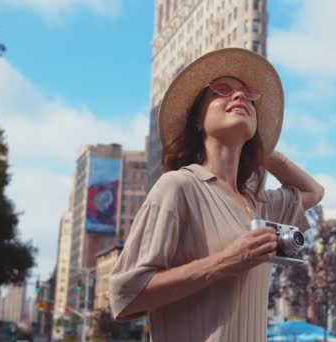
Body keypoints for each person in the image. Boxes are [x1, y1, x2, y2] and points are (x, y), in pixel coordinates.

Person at [109, 48, 324, 342]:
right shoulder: (177, 187)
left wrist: (264, 151)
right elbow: (125, 296)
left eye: (248, 96)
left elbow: (314, 191)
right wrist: (227, 261)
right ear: (198, 120)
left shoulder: (260, 204)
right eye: (222, 90)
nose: (239, 97)